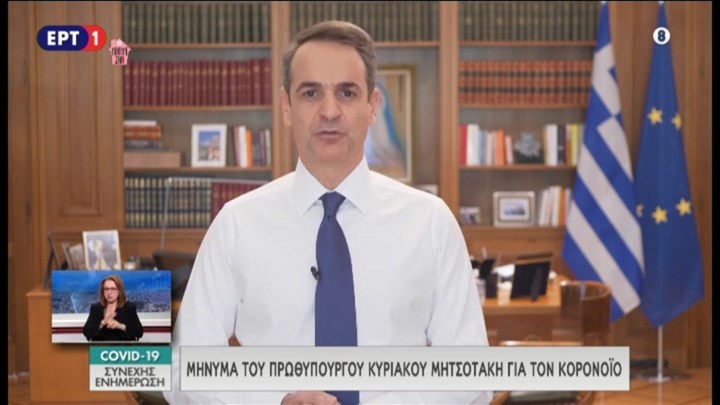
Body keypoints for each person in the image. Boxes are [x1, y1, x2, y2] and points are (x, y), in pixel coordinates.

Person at [165, 21, 491, 404]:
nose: (330, 111)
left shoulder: (430, 222)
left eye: (347, 93)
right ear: (287, 107)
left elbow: (471, 375)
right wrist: (276, 401)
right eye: (311, 93)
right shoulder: (236, 224)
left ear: (373, 107)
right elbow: (184, 370)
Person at [83, 274, 144, 341]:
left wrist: (120, 326)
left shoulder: (129, 307)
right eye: (106, 289)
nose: (109, 292)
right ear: (102, 291)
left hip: (122, 346)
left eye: (113, 289)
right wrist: (102, 323)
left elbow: (139, 332)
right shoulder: (96, 308)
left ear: (119, 291)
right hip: (100, 346)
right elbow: (86, 332)